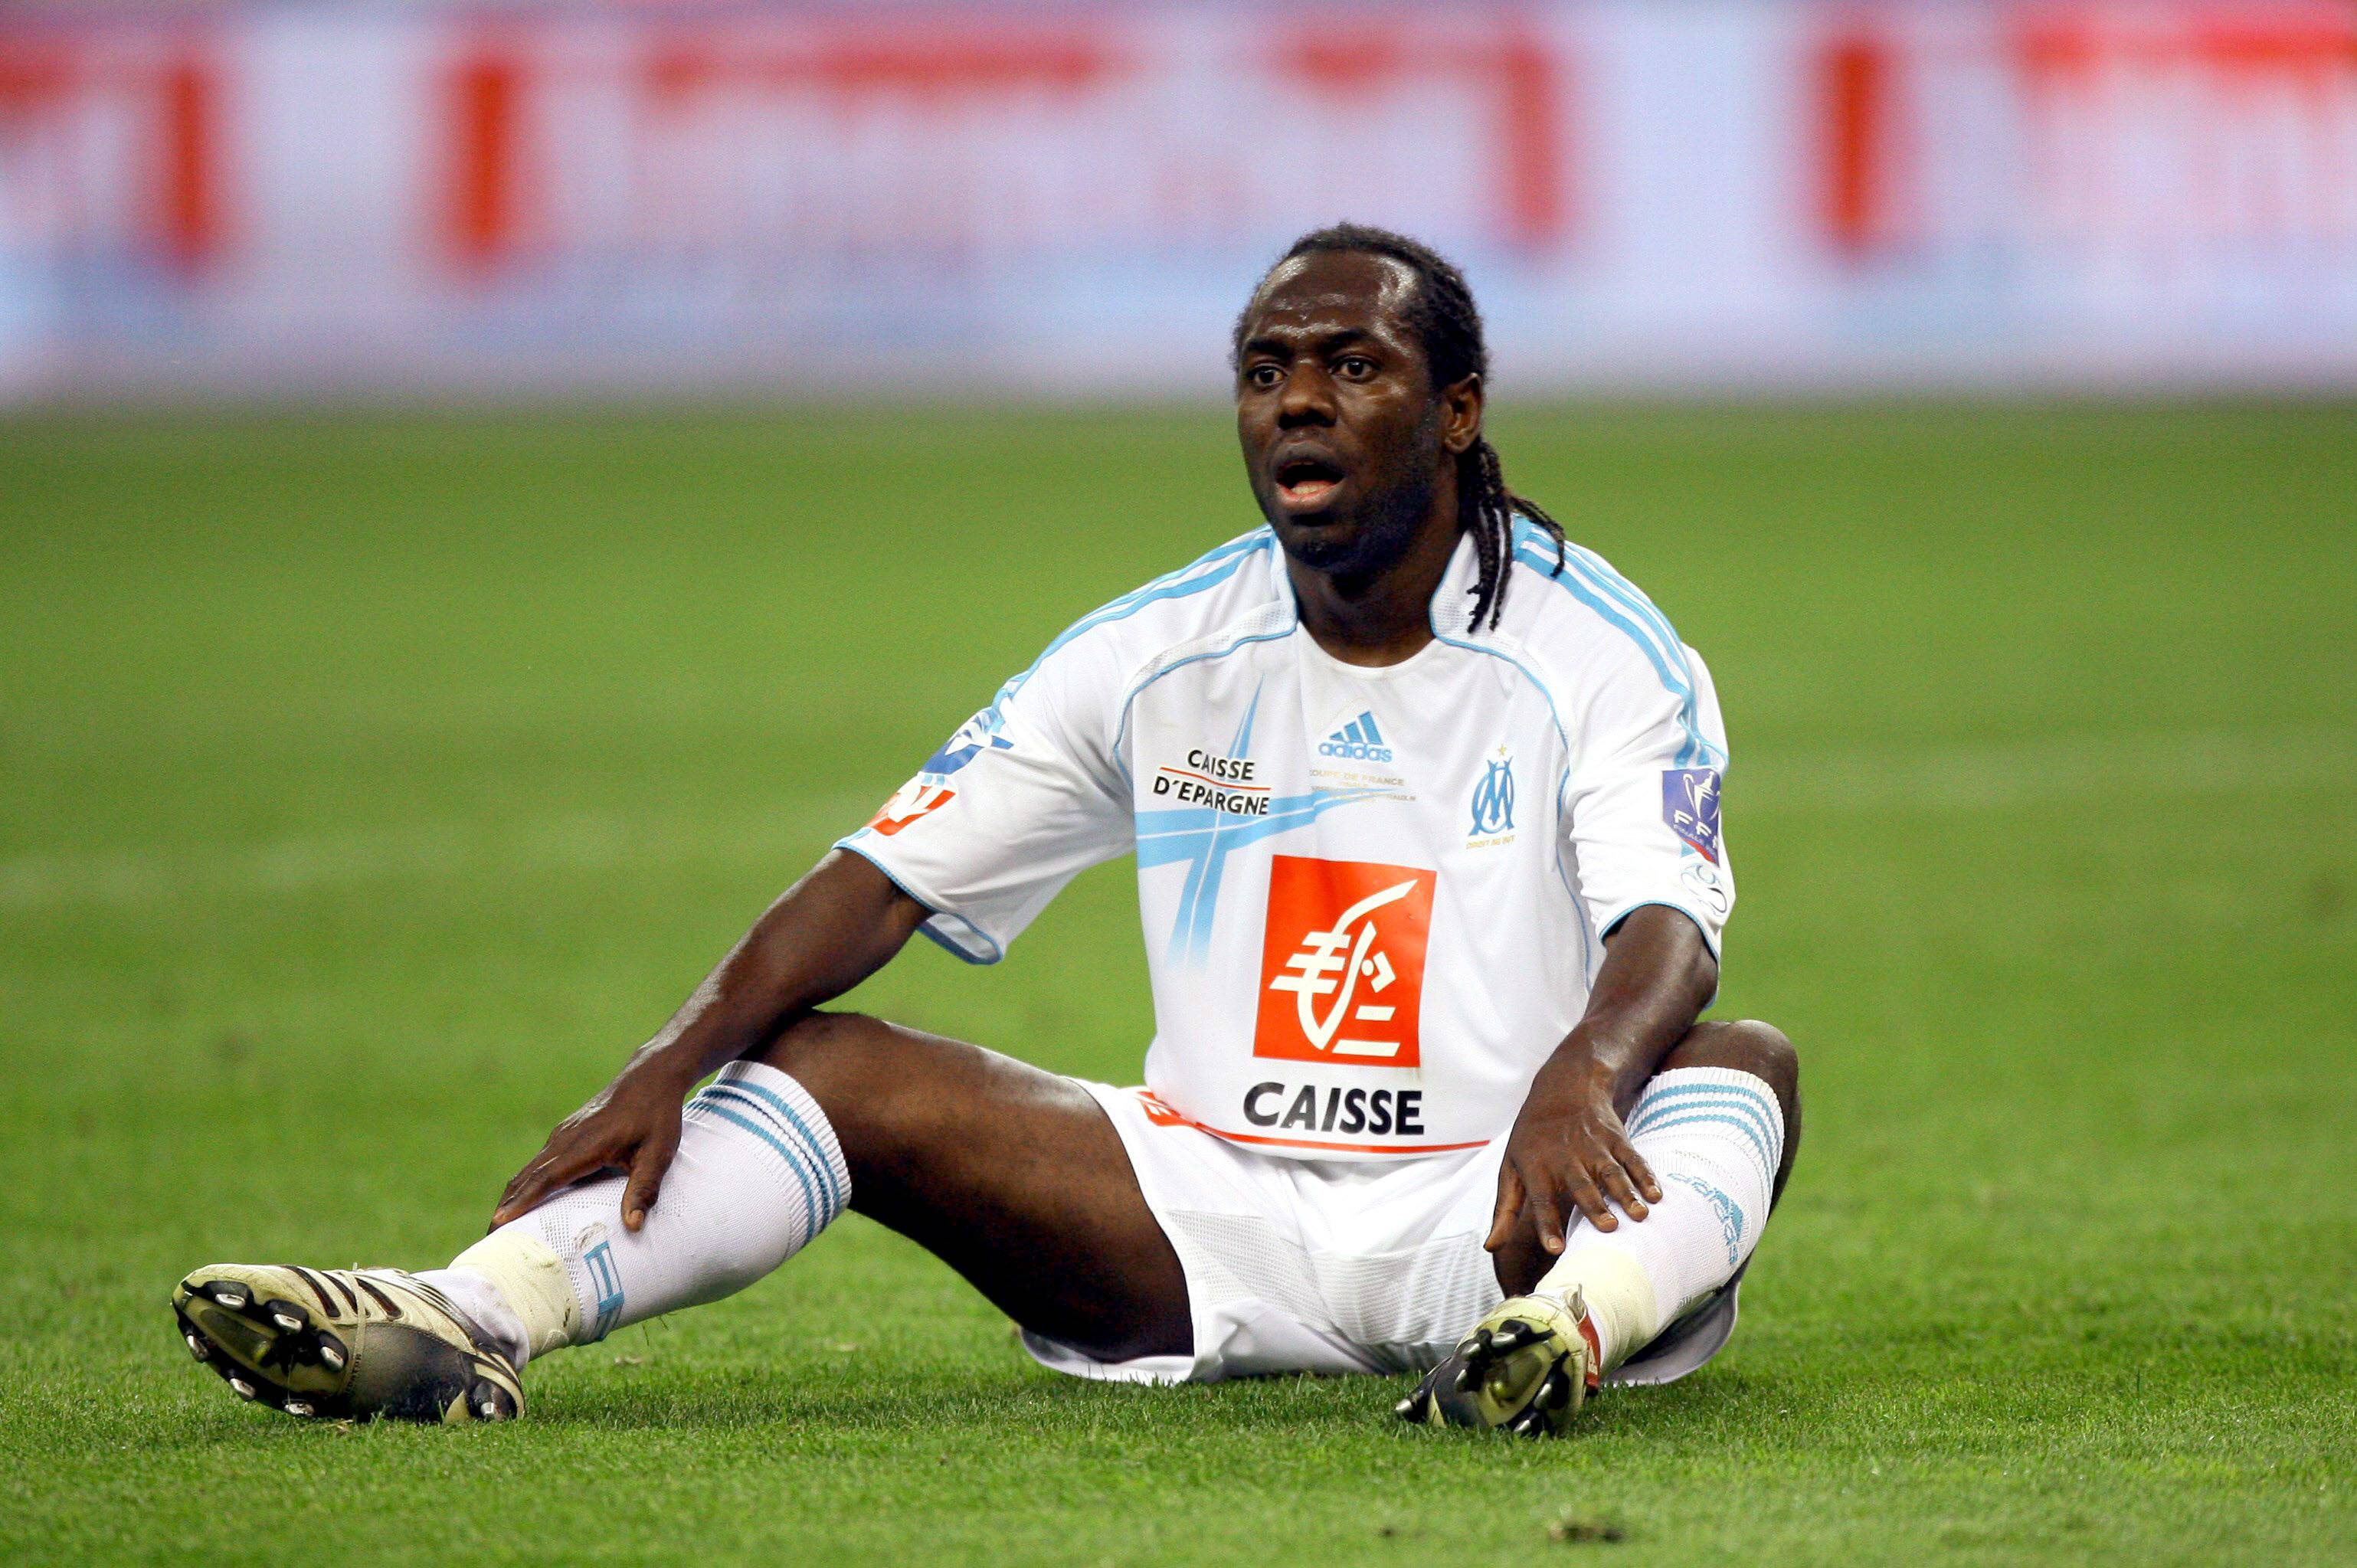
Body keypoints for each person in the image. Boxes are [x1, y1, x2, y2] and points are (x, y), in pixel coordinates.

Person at [171, 224, 1799, 1437]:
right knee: (825, 1061)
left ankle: (1552, 1346)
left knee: (1744, 1064)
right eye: (1264, 370)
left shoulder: (1599, 651)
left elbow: (1668, 925)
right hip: (1200, 1215)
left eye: (1350, 366)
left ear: (1455, 412)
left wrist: (1581, 1076)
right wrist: (672, 1054)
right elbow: (885, 876)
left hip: (1502, 1211)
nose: (1297, 401)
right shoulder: (1156, 651)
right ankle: (474, 1313)